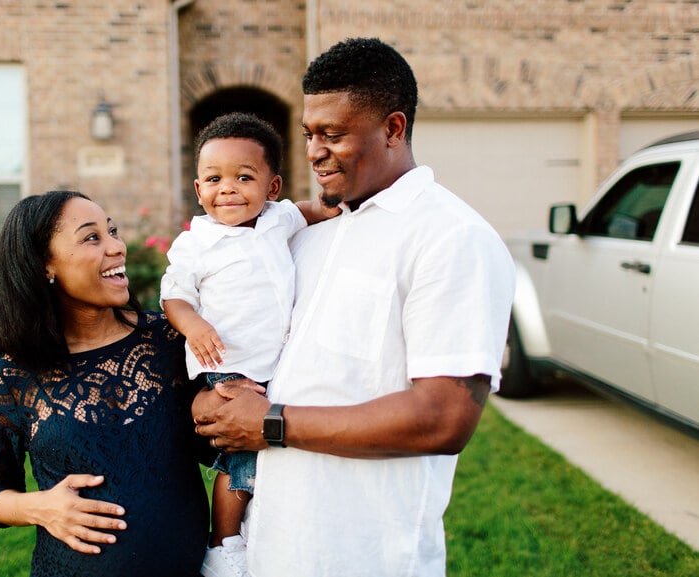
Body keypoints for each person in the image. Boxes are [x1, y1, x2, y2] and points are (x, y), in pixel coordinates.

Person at [191, 37, 516, 577]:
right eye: (309, 134)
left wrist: (269, 424)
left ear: (393, 128)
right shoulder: (308, 236)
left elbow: (444, 418)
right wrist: (213, 399)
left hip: (365, 554)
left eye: (333, 134)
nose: (315, 150)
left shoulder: (450, 237)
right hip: (271, 545)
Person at [0, 190, 211, 577]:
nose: (117, 247)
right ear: (44, 265)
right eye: (92, 237)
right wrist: (41, 507)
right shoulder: (11, 379)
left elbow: (215, 443)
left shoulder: (169, 341)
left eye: (112, 231)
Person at [160, 112, 340, 577]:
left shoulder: (279, 218)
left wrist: (342, 207)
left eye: (244, 177)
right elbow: (174, 296)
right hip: (229, 364)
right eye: (214, 179)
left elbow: (312, 209)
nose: (229, 189)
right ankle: (223, 544)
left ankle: (258, 528)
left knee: (266, 453)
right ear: (199, 190)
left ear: (272, 186)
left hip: (276, 366)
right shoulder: (195, 243)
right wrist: (194, 326)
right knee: (241, 459)